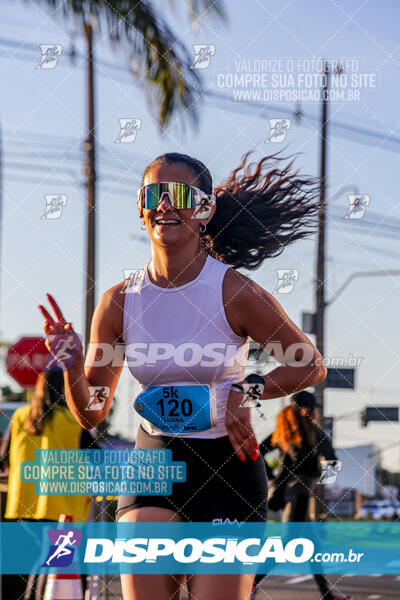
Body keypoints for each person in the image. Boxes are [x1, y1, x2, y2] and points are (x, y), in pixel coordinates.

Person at [38, 151, 327, 600]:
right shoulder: (119, 302)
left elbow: (309, 363)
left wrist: (247, 390)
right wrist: (74, 364)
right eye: (153, 193)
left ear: (204, 209)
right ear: (140, 207)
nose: (164, 205)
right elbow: (91, 413)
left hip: (228, 469)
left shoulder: (235, 291)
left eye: (178, 194)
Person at [0, 369, 98, 599]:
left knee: (27, 563)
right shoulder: (73, 421)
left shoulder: (20, 416)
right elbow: (96, 456)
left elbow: (4, 458)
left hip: (23, 505)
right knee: (59, 562)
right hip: (64, 508)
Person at [251, 390, 351, 600]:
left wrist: (269, 476)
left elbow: (258, 451)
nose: (315, 412)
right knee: (289, 542)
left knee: (312, 546)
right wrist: (323, 482)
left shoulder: (282, 431)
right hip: (302, 493)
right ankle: (250, 584)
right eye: (313, 408)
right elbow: (332, 458)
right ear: (306, 410)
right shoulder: (313, 432)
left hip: (287, 492)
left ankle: (327, 594)